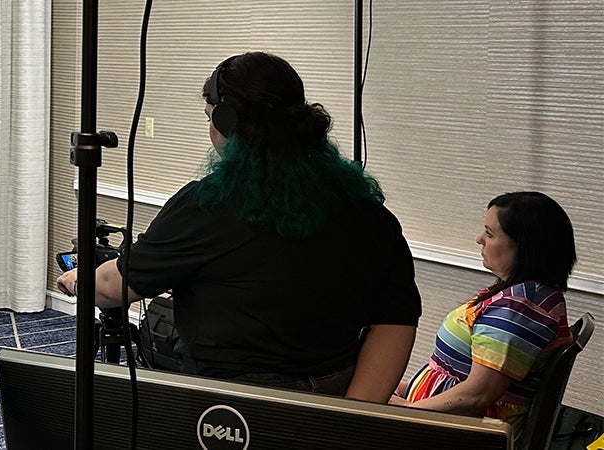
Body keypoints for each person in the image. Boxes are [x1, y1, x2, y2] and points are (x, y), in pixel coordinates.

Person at [56, 51, 421, 402]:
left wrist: (79, 279)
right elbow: (396, 318)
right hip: (338, 389)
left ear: (227, 121)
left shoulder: (206, 206)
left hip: (232, 408)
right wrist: (354, 412)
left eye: (209, 117)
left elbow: (114, 287)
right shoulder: (366, 211)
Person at [391, 192, 577, 425]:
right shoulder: (527, 294)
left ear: (525, 246)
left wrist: (406, 411)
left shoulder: (517, 309)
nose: (479, 239)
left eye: (490, 234)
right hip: (433, 413)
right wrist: (405, 391)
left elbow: (476, 396)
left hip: (462, 429)